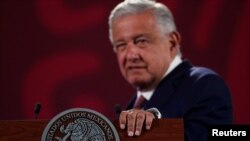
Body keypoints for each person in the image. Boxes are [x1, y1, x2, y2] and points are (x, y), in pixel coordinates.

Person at [108, 0, 233, 140]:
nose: (131, 55)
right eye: (121, 45)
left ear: (172, 43)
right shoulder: (131, 108)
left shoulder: (204, 85)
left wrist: (155, 127)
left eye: (141, 41)